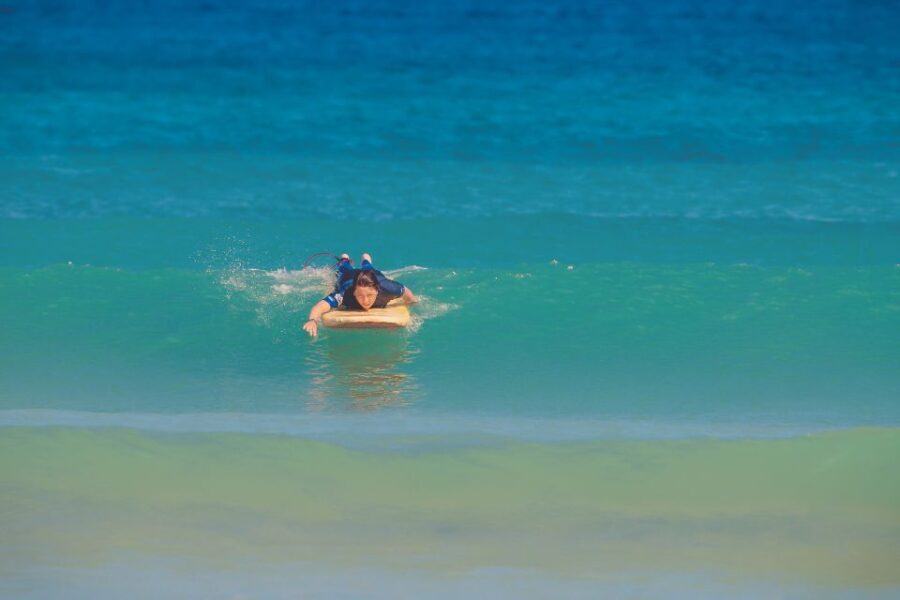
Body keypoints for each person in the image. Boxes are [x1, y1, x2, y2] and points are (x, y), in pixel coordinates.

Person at [302, 253, 418, 337]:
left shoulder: (387, 287)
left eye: (370, 295)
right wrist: (312, 320)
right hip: (349, 276)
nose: (366, 301)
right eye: (360, 296)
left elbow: (407, 293)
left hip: (373, 275)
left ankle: (366, 259)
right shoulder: (344, 293)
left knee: (369, 268)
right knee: (343, 267)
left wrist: (413, 304)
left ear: (377, 290)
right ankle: (345, 258)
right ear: (354, 292)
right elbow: (320, 306)